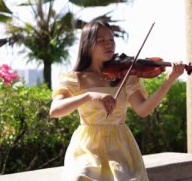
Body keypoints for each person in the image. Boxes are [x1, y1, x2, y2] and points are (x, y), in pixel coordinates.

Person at [50, 18, 184, 181]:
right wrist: (89, 95)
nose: (109, 44)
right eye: (102, 41)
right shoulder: (76, 78)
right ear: (88, 44)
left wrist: (169, 80)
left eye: (111, 40)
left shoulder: (127, 75)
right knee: (81, 176)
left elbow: (143, 110)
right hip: (87, 146)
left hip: (120, 146)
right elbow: (55, 110)